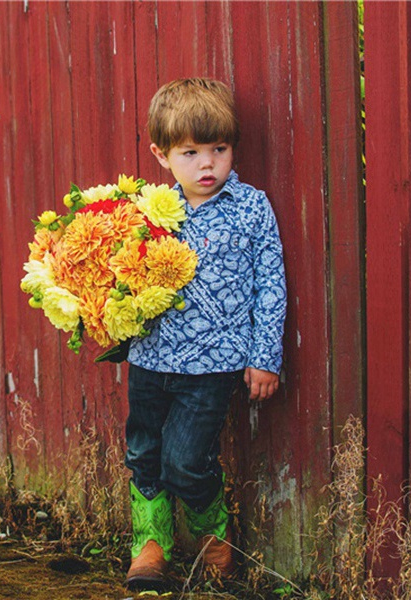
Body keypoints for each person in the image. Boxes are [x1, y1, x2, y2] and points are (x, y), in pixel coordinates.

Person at [124, 78, 286, 589]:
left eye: (220, 149)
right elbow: (120, 277)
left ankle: (215, 535)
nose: (208, 164)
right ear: (161, 154)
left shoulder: (251, 207)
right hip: (151, 358)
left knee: (186, 460)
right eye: (190, 152)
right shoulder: (150, 213)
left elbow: (270, 284)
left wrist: (265, 356)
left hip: (213, 365)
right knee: (144, 452)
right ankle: (150, 545)